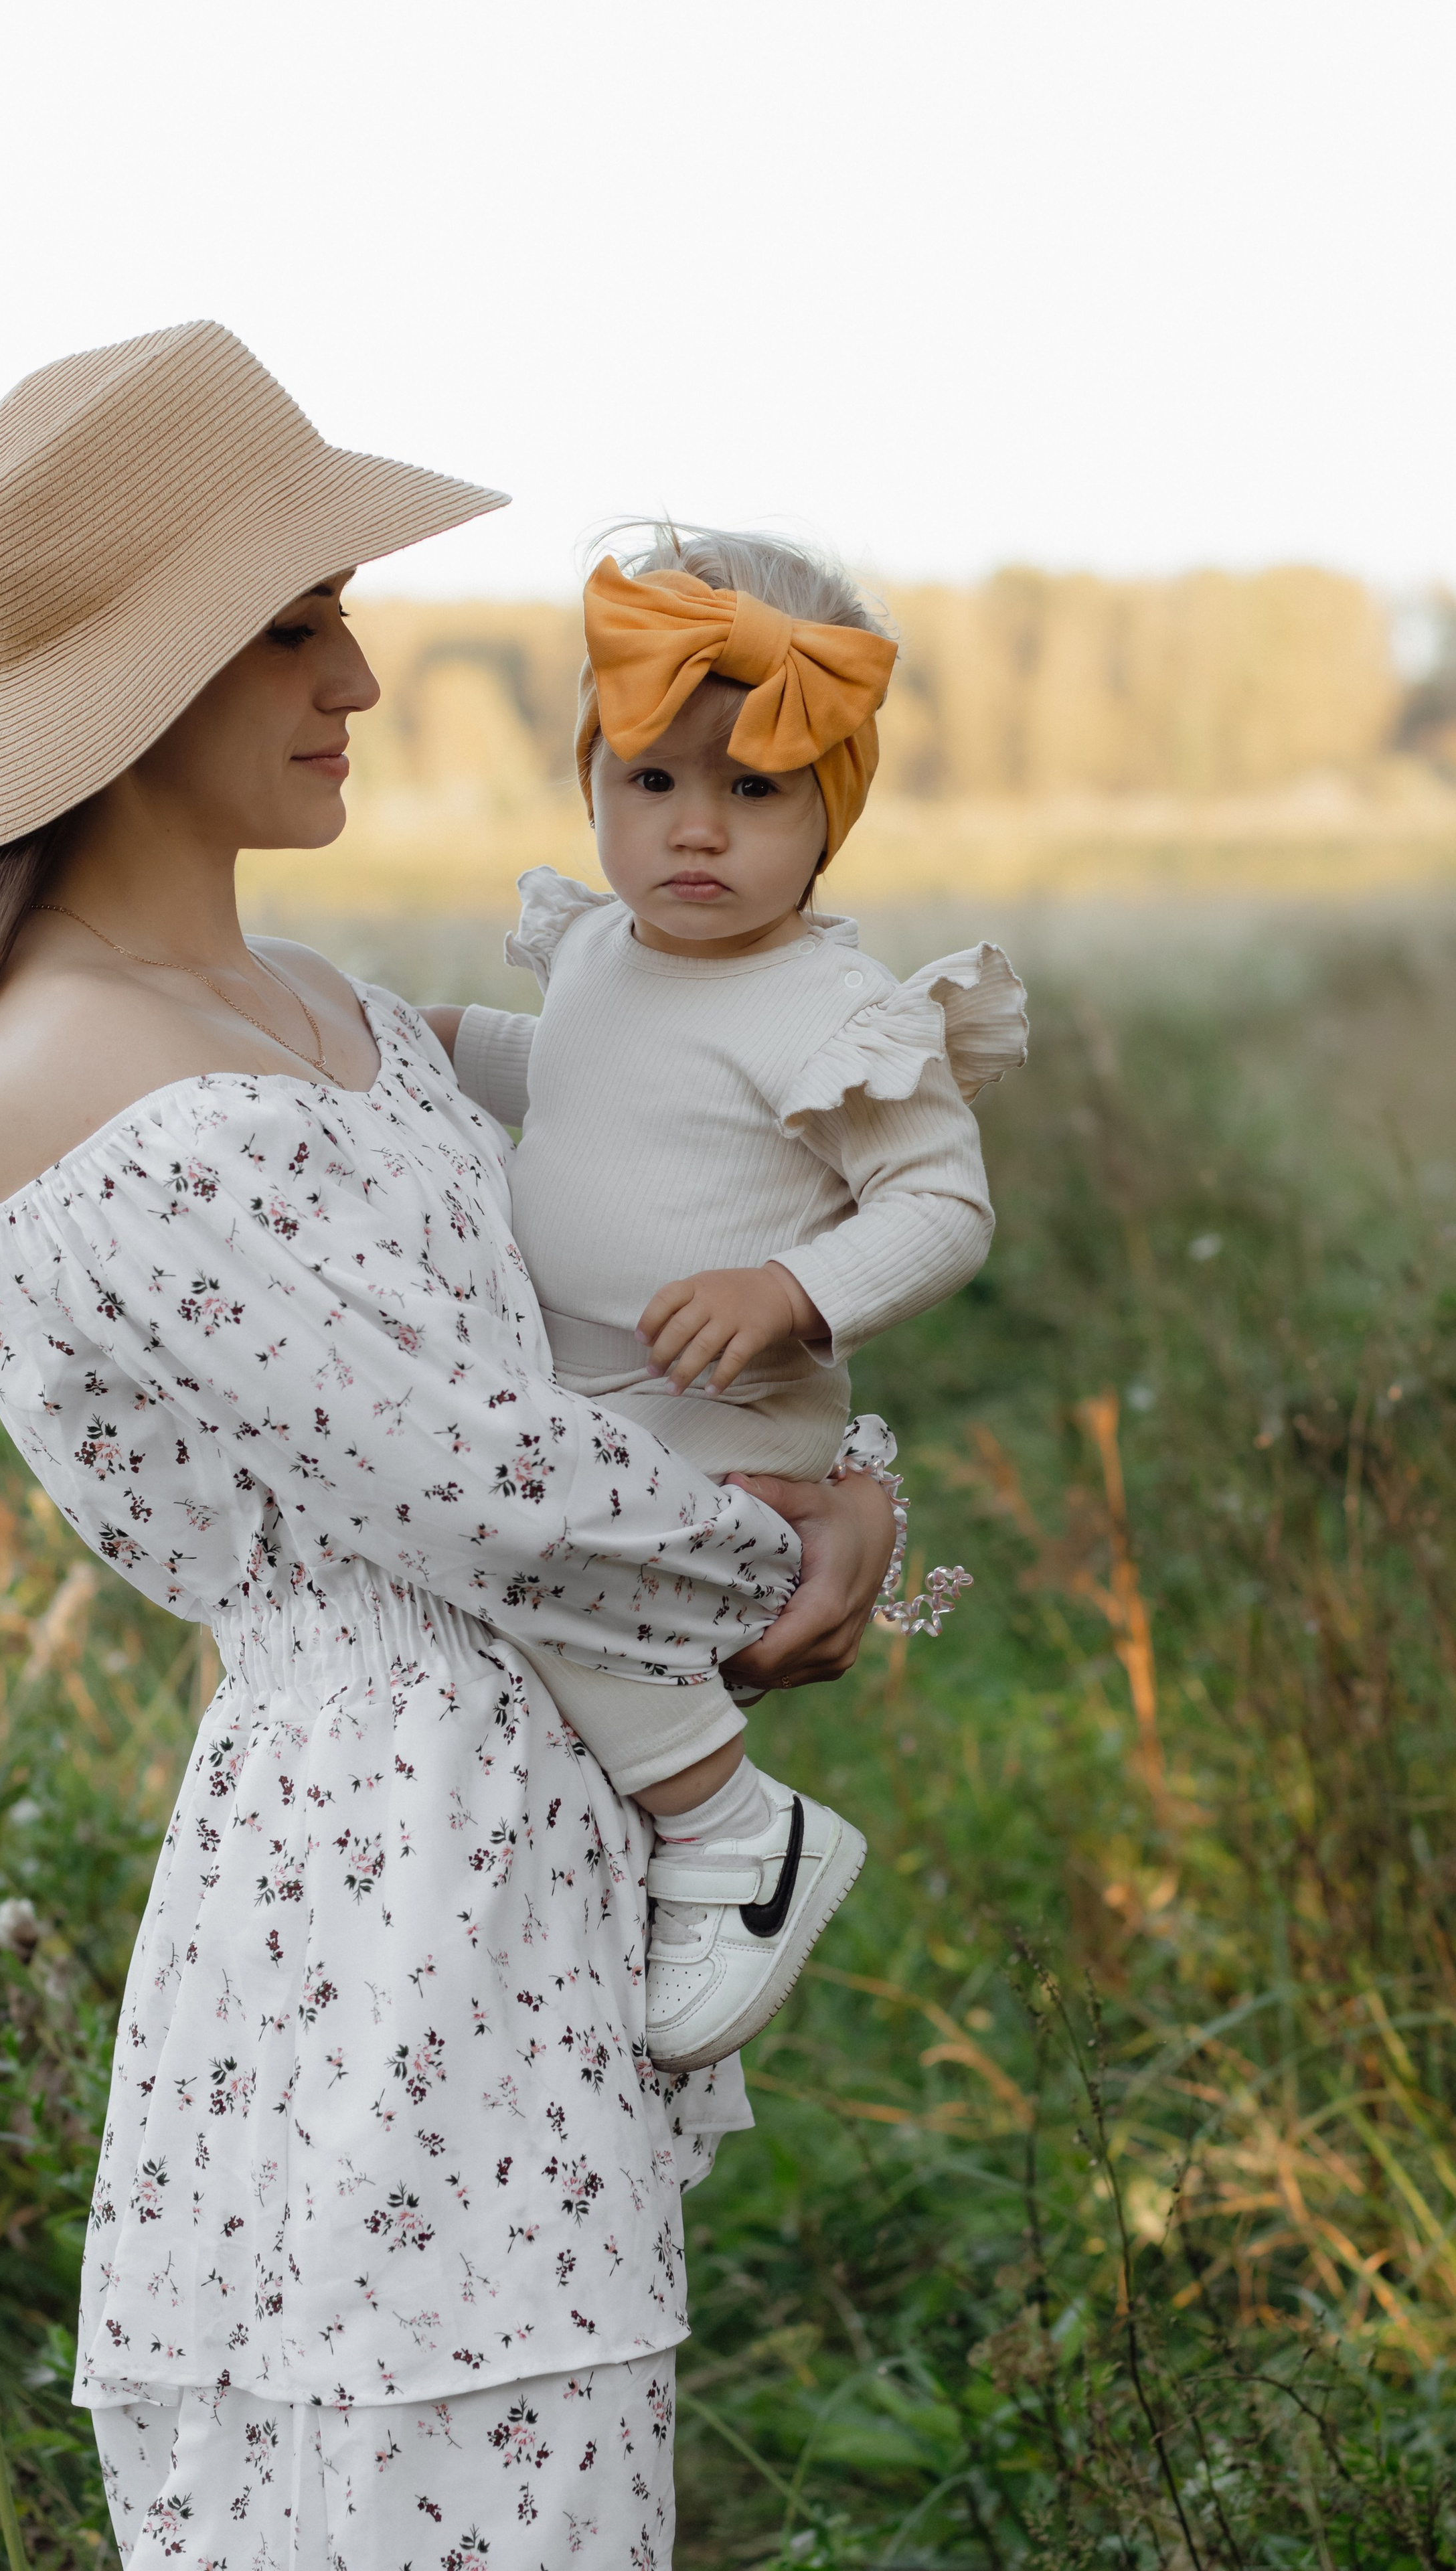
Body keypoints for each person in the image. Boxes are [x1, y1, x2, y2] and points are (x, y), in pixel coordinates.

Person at [0, 325, 898, 2571]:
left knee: (547, 2467)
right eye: (300, 622)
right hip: (374, 1886)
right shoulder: (64, 1070)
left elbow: (595, 1320)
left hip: (525, 1831)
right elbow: (465, 1479)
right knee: (413, 2452)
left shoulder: (322, 1009)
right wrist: (782, 1555)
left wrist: (848, 1468)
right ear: (145, 681)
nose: (368, 673)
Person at [424, 526, 1028, 2078]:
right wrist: (424, 1041)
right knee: (513, 1556)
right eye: (652, 783)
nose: (695, 833)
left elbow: (940, 1210)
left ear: (831, 810)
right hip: (592, 1387)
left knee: (532, 1555)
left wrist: (792, 1287)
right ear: (591, 787)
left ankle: (728, 1827)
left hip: (722, 1413)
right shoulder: (604, 958)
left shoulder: (827, 1008)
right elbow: (576, 1087)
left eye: (752, 791)